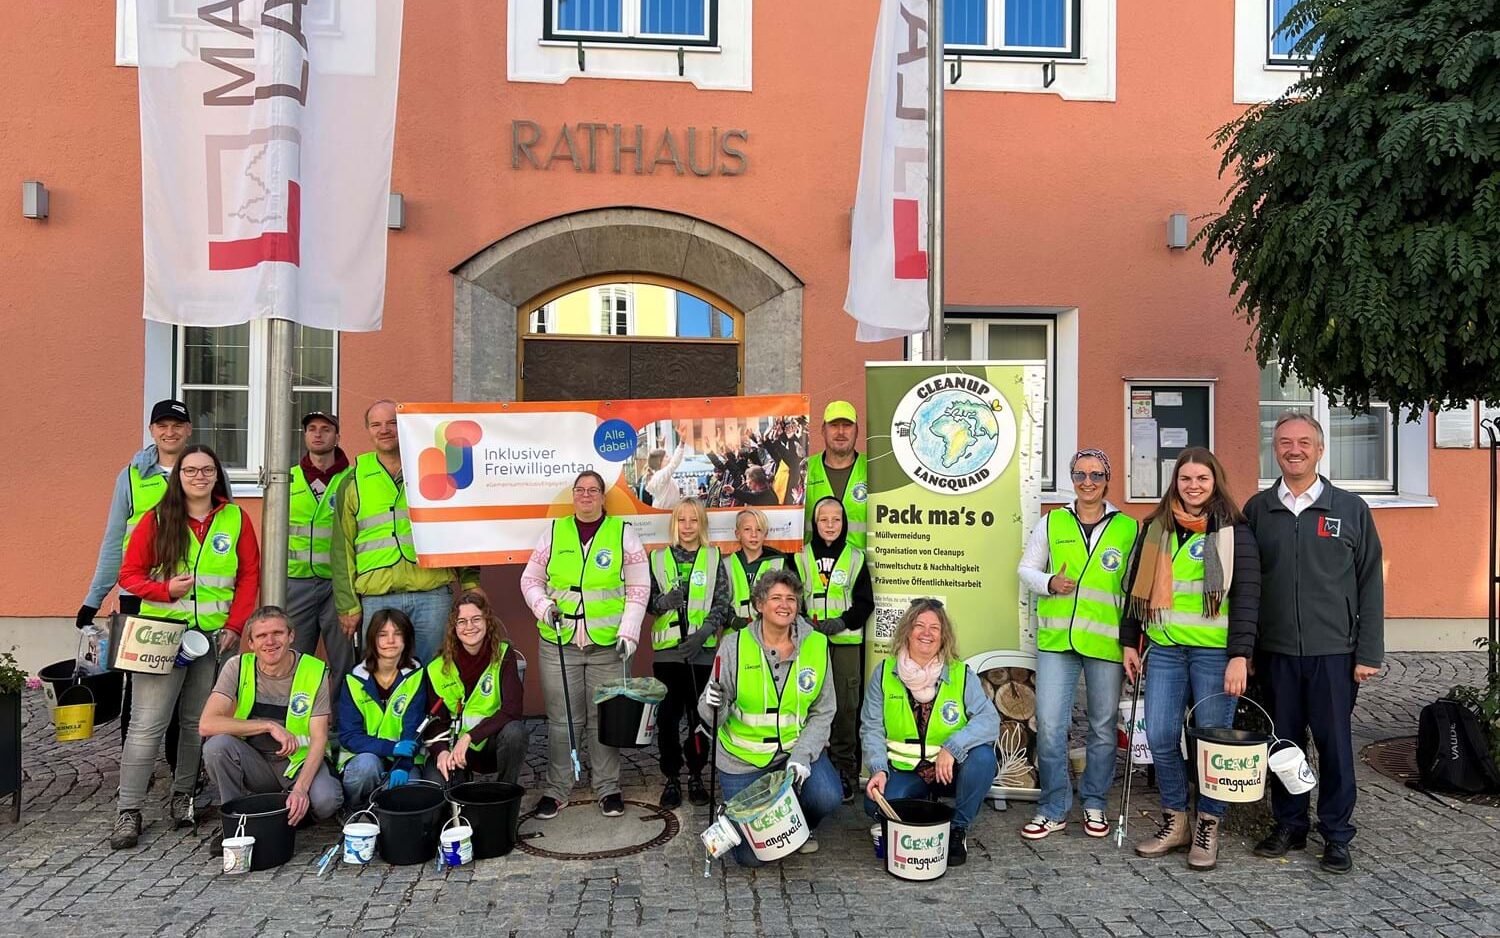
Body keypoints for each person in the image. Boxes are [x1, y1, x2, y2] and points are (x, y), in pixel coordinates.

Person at [1244, 412, 1384, 874]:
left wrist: (1368, 652)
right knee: (1284, 746)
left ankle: (1337, 835)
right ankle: (1290, 824)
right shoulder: (1259, 510)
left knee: (1334, 746)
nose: (1294, 449)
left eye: (1304, 442)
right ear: (1275, 449)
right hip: (1276, 651)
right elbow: (1246, 585)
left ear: (1320, 450)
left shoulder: (1350, 509)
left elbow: (1369, 584)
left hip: (1334, 653)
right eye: (1285, 442)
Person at [111, 443, 260, 849]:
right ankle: (129, 810)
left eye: (207, 470)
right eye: (190, 470)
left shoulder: (234, 518)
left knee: (198, 722)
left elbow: (249, 575)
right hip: (161, 635)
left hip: (213, 638)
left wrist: (236, 624)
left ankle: (184, 797)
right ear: (178, 477)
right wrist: (163, 590)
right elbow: (129, 575)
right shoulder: (157, 519)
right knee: (147, 725)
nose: (199, 477)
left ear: (217, 475)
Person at [1120, 447, 1260, 871]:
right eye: (1186, 479)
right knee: (1161, 737)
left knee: (1211, 744)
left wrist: (1240, 656)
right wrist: (1130, 641)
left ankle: (1208, 826)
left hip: (1214, 654)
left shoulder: (1235, 531)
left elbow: (1249, 598)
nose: (1193, 486)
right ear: (1175, 482)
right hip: (1163, 649)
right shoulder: (1155, 528)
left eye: (1202, 479)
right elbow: (1134, 591)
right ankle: (1176, 820)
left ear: (1215, 481)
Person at [1017, 449, 1139, 841]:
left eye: (1096, 474)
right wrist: (1049, 582)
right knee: (1052, 725)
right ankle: (1053, 807)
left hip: (1105, 642)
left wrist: (1133, 642)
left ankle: (1094, 803)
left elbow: (1137, 590)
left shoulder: (1128, 528)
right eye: (1080, 474)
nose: (1088, 481)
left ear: (1108, 478)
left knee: (1103, 727)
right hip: (1057, 641)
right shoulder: (1052, 522)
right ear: (1071, 478)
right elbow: (1026, 569)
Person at [521, 470, 649, 819]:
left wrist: (629, 631)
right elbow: (530, 579)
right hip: (558, 643)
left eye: (593, 490)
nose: (587, 495)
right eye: (581, 490)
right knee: (562, 721)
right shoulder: (554, 531)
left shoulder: (623, 534)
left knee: (603, 720)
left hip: (608, 645)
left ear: (603, 497)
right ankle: (557, 788)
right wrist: (544, 607)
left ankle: (608, 788)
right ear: (573, 495)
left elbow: (639, 587)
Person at [698, 567, 842, 865]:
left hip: (793, 755)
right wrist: (713, 702)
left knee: (827, 795)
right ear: (759, 605)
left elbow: (823, 709)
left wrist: (803, 755)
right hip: (743, 759)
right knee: (749, 857)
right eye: (776, 597)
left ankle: (799, 825)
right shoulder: (734, 644)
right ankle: (767, 819)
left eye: (791, 598)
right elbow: (711, 712)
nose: (784, 605)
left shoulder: (816, 644)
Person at [79, 398, 192, 752]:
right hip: (139, 594)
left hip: (187, 595)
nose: (169, 432)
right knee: (139, 685)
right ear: (152, 431)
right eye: (162, 425)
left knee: (184, 684)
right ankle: (134, 763)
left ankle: (180, 769)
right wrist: (93, 598)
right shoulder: (131, 476)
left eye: (177, 425)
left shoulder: (203, 471)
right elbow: (114, 542)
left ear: (188, 430)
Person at [332, 399, 480, 664]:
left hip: (432, 593)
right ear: (368, 430)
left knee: (434, 671)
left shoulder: (434, 469)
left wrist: (470, 581)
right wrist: (348, 604)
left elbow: (458, 529)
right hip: (378, 598)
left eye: (392, 423)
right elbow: (341, 549)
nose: (384, 430)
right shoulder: (352, 481)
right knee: (381, 673)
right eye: (376, 424)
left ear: (405, 426)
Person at [861, 598, 999, 866]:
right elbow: (871, 727)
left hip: (949, 769)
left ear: (943, 635)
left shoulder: (960, 673)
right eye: (919, 625)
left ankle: (958, 828)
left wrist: (953, 747)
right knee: (874, 805)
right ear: (907, 632)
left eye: (934, 627)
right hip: (905, 769)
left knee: (982, 759)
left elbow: (988, 720)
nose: (926, 633)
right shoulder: (884, 673)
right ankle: (920, 807)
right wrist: (878, 769)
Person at [200, 607, 343, 825]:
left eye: (278, 633)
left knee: (327, 801)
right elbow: (207, 724)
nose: (270, 641)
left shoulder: (314, 670)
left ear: (291, 636)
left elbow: (319, 738)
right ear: (251, 643)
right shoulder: (237, 666)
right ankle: (235, 819)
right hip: (257, 762)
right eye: (261, 636)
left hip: (299, 763)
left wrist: (301, 790)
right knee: (216, 746)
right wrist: (268, 726)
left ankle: (296, 812)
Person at [648, 499, 732, 809]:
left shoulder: (713, 558)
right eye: (681, 521)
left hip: (701, 653)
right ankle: (671, 777)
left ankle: (696, 774)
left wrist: (704, 634)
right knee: (668, 718)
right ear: (674, 525)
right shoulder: (657, 558)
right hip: (669, 654)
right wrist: (665, 602)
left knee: (700, 716)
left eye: (693, 521)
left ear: (702, 525)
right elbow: (646, 602)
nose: (687, 527)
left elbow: (722, 604)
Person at [794, 496, 874, 802]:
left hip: (844, 644)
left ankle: (843, 766)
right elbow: (792, 600)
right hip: (808, 642)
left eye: (836, 520)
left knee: (845, 705)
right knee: (806, 700)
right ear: (815, 523)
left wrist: (840, 622)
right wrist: (805, 626)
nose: (830, 525)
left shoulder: (855, 557)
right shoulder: (800, 557)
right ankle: (807, 760)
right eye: (823, 519)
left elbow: (865, 603)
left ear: (843, 523)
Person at [422, 590, 528, 786]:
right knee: (437, 787)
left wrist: (470, 737)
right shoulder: (437, 667)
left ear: (487, 621)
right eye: (462, 621)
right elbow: (434, 721)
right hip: (456, 749)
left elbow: (512, 710)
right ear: (454, 627)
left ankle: (505, 793)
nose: (469, 627)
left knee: (515, 732)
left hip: (490, 744)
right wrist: (441, 751)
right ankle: (460, 785)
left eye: (476, 619)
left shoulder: (503, 654)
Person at [287, 411, 355, 698]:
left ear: (337, 436)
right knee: (292, 658)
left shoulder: (353, 478)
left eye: (325, 429)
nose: (318, 434)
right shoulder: (287, 478)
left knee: (345, 660)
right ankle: (295, 723)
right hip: (295, 583)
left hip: (339, 586)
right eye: (311, 429)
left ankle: (343, 727)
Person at [336, 608, 427, 805]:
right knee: (366, 768)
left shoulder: (416, 674)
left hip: (403, 759)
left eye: (398, 634)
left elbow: (414, 726)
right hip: (365, 757)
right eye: (382, 635)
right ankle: (354, 809)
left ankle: (383, 812)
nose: (390, 641)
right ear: (372, 639)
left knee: (408, 791)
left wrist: (403, 765)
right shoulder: (354, 679)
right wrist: (391, 747)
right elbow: (349, 735)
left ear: (407, 639)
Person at [803, 401, 867, 550]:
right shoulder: (804, 469)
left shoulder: (874, 469)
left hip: (860, 569)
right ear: (823, 430)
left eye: (847, 425)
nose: (840, 432)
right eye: (834, 425)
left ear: (856, 431)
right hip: (813, 569)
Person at [724, 508, 787, 631]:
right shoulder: (726, 564)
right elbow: (719, 602)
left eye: (759, 529)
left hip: (769, 633)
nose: (754, 534)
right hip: (734, 634)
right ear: (738, 534)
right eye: (747, 529)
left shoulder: (779, 563)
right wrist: (732, 619)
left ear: (766, 534)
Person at [645, 442, 686, 510]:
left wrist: (662, 446)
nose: (669, 458)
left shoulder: (661, 476)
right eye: (666, 457)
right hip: (664, 513)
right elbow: (674, 463)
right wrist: (681, 443)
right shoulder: (660, 476)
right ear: (659, 461)